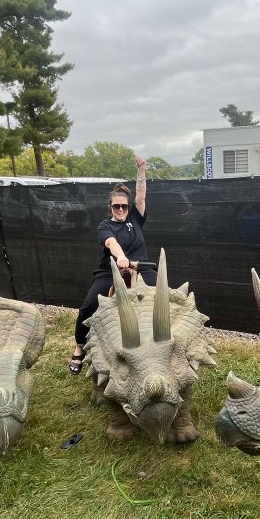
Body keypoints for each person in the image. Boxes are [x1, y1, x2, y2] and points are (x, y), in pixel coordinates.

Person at [69, 155, 154, 374]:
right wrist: (120, 257)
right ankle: (79, 348)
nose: (121, 210)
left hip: (142, 267)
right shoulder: (104, 225)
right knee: (88, 306)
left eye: (124, 206)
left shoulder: (135, 218)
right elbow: (111, 242)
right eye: (116, 206)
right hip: (110, 270)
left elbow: (141, 196)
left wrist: (141, 170)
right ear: (110, 207)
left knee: (163, 297)